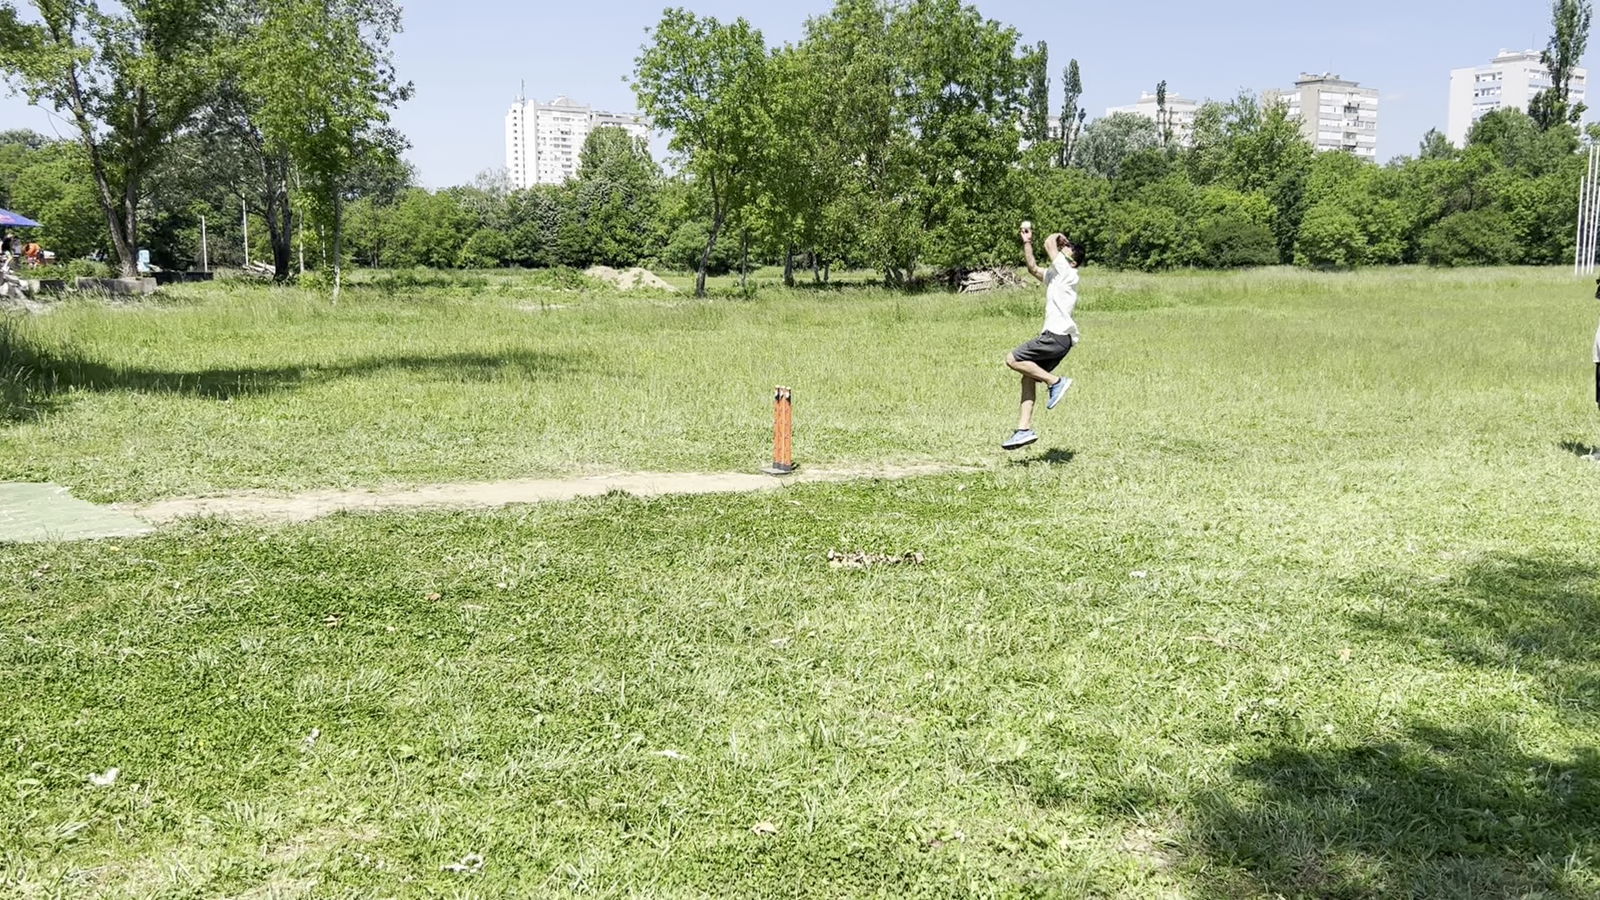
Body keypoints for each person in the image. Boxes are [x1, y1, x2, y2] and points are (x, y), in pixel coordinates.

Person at [1000, 222, 1082, 451]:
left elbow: (1049, 243)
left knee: (1012, 359)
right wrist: (1027, 242)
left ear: (1073, 261)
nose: (1062, 250)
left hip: (1056, 337)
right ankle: (1023, 430)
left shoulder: (1069, 274)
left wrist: (1058, 237)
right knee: (1027, 376)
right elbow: (1033, 268)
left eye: (1066, 250)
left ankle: (1056, 382)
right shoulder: (1057, 275)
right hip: (1058, 339)